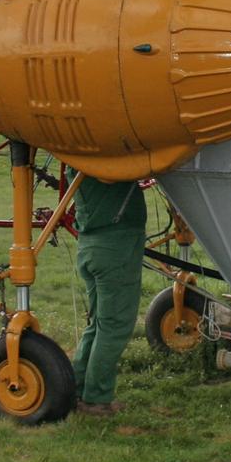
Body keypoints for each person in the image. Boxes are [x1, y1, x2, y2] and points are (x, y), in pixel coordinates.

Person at [69, 173, 147, 416]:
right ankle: (96, 399)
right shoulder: (101, 160)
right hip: (114, 246)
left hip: (92, 245)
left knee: (99, 324)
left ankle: (76, 390)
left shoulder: (75, 154)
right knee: (114, 325)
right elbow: (113, 175)